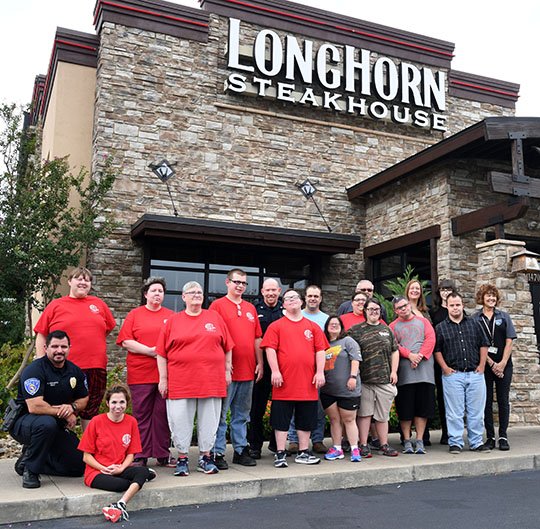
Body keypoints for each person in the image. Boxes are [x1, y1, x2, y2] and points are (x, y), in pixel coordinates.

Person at [156, 281, 233, 476]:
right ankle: (182, 458)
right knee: (179, 419)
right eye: (192, 292)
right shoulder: (173, 321)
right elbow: (161, 353)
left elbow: (228, 347)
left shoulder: (214, 317)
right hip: (181, 381)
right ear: (184, 297)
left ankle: (205, 458)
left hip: (211, 381)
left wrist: (226, 370)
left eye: (199, 292)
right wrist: (163, 379)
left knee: (210, 420)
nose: (197, 295)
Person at [34, 267, 116, 430]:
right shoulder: (56, 305)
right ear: (70, 281)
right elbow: (42, 334)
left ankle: (87, 452)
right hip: (65, 368)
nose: (83, 282)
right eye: (79, 279)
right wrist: (41, 361)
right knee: (65, 410)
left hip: (96, 367)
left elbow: (105, 330)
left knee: (90, 411)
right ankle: (64, 450)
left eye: (86, 280)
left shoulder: (98, 304)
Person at [10, 330, 89, 488]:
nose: (59, 350)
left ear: (69, 348)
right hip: (24, 423)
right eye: (55, 346)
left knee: (78, 466)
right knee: (46, 424)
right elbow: (34, 406)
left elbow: (84, 399)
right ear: (45, 348)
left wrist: (72, 407)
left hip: (54, 425)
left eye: (63, 346)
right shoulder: (34, 370)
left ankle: (29, 460)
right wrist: (66, 415)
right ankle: (31, 471)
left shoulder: (74, 371)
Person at [261, 289, 328, 468]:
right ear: (283, 305)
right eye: (288, 298)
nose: (292, 300)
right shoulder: (276, 326)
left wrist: (320, 372)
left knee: (306, 419)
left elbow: (320, 350)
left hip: (308, 382)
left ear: (301, 302)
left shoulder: (312, 327)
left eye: (295, 297)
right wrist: (275, 371)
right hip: (284, 382)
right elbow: (270, 349)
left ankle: (303, 452)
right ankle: (281, 453)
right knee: (281, 419)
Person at [116, 277, 175, 467]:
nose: (157, 294)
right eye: (154, 291)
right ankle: (139, 455)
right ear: (145, 294)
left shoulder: (171, 316)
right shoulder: (135, 315)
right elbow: (126, 341)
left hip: (165, 374)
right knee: (141, 414)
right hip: (140, 373)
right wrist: (151, 351)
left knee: (162, 414)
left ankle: (162, 453)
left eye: (160, 291)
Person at [78, 384, 155, 523]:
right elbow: (86, 456)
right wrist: (103, 468)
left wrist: (121, 468)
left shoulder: (131, 422)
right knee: (121, 485)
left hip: (119, 468)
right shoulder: (96, 422)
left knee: (141, 472)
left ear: (127, 403)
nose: (117, 406)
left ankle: (120, 504)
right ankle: (140, 479)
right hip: (97, 471)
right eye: (114, 402)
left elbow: (131, 454)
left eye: (121, 402)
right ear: (107, 403)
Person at [210, 269, 263, 469]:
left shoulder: (250, 308)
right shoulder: (217, 306)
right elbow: (215, 337)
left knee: (242, 415)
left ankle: (240, 450)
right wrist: (224, 363)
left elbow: (257, 338)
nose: (240, 286)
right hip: (227, 372)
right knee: (221, 415)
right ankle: (218, 452)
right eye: (236, 282)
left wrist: (261, 363)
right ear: (227, 282)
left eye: (243, 283)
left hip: (248, 370)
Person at [434, 292, 491, 454]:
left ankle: (476, 442)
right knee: (454, 413)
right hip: (453, 376)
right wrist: (445, 368)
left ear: (462, 305)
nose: (455, 308)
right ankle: (456, 442)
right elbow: (437, 350)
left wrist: (482, 366)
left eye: (458, 304)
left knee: (476, 413)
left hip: (475, 374)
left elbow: (484, 345)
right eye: (452, 305)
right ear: (447, 306)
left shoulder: (475, 324)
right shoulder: (441, 328)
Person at [347, 299, 399, 458]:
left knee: (383, 416)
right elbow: (346, 349)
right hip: (365, 380)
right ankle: (363, 445)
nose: (374, 311)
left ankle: (384, 444)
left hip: (384, 379)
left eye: (377, 309)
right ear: (365, 311)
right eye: (370, 309)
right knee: (365, 414)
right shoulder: (356, 330)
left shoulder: (387, 330)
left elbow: (394, 351)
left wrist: (394, 371)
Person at [390, 297, 436, 454]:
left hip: (424, 372)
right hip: (405, 373)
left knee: (422, 409)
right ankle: (407, 440)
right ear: (395, 311)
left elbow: (431, 339)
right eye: (399, 308)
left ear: (409, 305)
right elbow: (395, 345)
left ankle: (420, 440)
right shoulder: (393, 326)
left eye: (405, 305)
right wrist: (410, 355)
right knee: (406, 409)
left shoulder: (423, 322)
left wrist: (420, 356)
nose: (403, 309)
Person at [473, 284, 517, 451]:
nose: (491, 299)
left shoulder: (504, 316)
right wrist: (491, 363)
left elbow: (509, 340)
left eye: (493, 296)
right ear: (482, 298)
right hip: (485, 365)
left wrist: (503, 363)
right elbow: (477, 344)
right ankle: (490, 436)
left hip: (504, 365)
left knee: (503, 400)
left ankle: (503, 436)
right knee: (487, 402)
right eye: (488, 296)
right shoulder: (475, 319)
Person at [287, 285, 328, 454]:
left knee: (317, 407)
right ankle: (293, 440)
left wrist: (321, 370)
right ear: (305, 298)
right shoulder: (295, 315)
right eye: (310, 295)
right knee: (293, 405)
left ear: (320, 298)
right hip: (295, 371)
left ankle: (317, 439)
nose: (313, 298)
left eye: (316, 296)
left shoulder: (326, 319)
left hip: (316, 371)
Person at [248, 278, 283, 459]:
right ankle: (254, 445)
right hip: (260, 365)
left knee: (280, 406)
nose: (270, 293)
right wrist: (259, 363)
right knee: (257, 408)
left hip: (282, 366)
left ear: (279, 291)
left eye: (273, 290)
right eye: (267, 290)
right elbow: (255, 338)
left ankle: (278, 445)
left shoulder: (285, 310)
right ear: (262, 291)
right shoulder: (254, 310)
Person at [320, 316, 362, 462]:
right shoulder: (323, 344)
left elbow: (355, 360)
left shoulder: (348, 341)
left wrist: (352, 377)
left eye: (336, 324)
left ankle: (355, 449)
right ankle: (337, 448)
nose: (334, 326)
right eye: (331, 324)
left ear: (341, 326)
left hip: (347, 389)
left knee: (349, 420)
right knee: (334, 419)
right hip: (328, 390)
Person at [428, 278, 456, 445]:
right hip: (439, 360)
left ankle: (453, 432)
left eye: (448, 289)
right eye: (443, 290)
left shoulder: (458, 310)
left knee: (454, 399)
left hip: (455, 359)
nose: (445, 292)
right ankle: (445, 432)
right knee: (442, 397)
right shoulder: (434, 312)